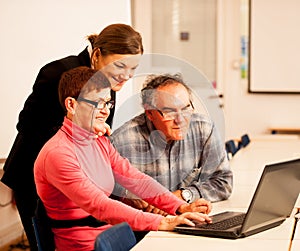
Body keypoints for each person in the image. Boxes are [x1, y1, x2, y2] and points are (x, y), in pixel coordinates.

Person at [34, 66, 212, 251]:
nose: (105, 111)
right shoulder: (58, 154)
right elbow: (100, 205)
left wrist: (180, 207)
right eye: (98, 103)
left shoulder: (98, 141)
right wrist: (164, 222)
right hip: (85, 247)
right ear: (72, 105)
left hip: (113, 240)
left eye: (108, 103)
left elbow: (137, 181)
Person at [1, 23, 143, 250]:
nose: (126, 76)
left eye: (133, 69)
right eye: (120, 65)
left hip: (77, 182)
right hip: (37, 182)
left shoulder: (109, 83)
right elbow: (27, 125)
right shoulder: (57, 73)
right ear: (97, 54)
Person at [109, 73, 233, 214]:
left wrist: (183, 195)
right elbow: (101, 192)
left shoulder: (204, 129)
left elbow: (223, 181)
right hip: (143, 228)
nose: (180, 119)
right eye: (169, 112)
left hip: (186, 220)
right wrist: (128, 197)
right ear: (150, 113)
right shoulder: (121, 141)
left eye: (185, 109)